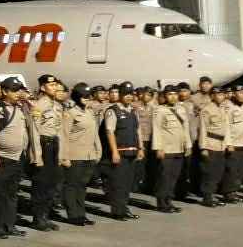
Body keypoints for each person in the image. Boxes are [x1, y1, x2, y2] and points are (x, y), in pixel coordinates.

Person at [0, 77, 41, 238]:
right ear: (5, 91)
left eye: (20, 90)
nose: (18, 93)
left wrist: (29, 101)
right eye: (15, 90)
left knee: (12, 194)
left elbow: (37, 115)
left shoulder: (21, 107)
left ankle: (10, 225)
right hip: (2, 157)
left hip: (17, 158)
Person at [100, 82, 144, 221]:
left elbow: (138, 130)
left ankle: (124, 208)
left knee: (127, 183)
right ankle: (117, 211)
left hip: (132, 152)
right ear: (120, 95)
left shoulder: (133, 111)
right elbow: (110, 132)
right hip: (120, 152)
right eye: (125, 94)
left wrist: (141, 148)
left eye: (130, 94)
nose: (128, 97)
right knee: (118, 183)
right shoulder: (113, 111)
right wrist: (114, 152)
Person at [60, 83, 100, 226]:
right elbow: (64, 135)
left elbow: (94, 134)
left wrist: (98, 151)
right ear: (77, 97)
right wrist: (64, 157)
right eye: (84, 96)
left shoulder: (89, 112)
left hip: (89, 155)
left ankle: (81, 214)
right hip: (74, 155)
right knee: (72, 185)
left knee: (82, 186)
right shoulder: (70, 113)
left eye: (88, 96)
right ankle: (73, 215)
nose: (87, 99)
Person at [30, 74, 63, 231]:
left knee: (51, 183)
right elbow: (34, 131)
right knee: (41, 183)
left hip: (54, 144)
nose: (55, 87)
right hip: (43, 145)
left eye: (56, 85)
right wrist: (37, 155)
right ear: (43, 87)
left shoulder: (57, 105)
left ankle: (45, 216)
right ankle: (38, 219)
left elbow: (59, 129)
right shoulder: (39, 105)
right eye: (51, 85)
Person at [152, 86, 192, 213]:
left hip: (179, 148)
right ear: (165, 96)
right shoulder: (160, 110)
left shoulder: (181, 109)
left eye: (175, 94)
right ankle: (161, 203)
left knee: (174, 177)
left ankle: (169, 200)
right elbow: (157, 129)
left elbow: (185, 128)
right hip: (166, 149)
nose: (173, 97)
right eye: (170, 94)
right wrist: (158, 148)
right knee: (165, 176)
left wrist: (188, 145)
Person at [198, 87, 230, 208]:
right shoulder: (206, 110)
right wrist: (203, 147)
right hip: (210, 144)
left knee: (218, 172)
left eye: (222, 94)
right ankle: (207, 197)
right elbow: (202, 129)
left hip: (221, 145)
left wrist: (227, 143)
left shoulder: (222, 109)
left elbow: (226, 128)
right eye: (218, 94)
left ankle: (212, 194)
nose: (220, 97)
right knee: (209, 172)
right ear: (212, 96)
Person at [221, 86, 243, 204]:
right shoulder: (228, 107)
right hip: (233, 144)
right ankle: (228, 193)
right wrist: (228, 143)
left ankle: (235, 191)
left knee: (240, 170)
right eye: (240, 93)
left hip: (242, 143)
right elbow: (226, 126)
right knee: (231, 170)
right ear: (234, 94)